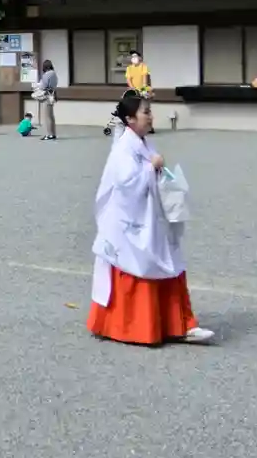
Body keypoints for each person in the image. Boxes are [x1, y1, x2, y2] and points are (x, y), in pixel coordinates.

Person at [87, 95, 214, 345]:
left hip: (150, 217)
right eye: (145, 112)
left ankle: (182, 324)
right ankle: (146, 327)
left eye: (150, 111)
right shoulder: (123, 148)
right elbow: (126, 183)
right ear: (130, 119)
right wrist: (151, 167)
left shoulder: (143, 143)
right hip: (130, 222)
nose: (150, 116)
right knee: (144, 263)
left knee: (170, 262)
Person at [38, 59, 59, 141]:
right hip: (52, 95)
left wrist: (39, 85)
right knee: (51, 116)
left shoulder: (47, 75)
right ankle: (53, 133)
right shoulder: (54, 74)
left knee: (47, 116)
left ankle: (49, 134)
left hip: (46, 96)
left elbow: (43, 86)